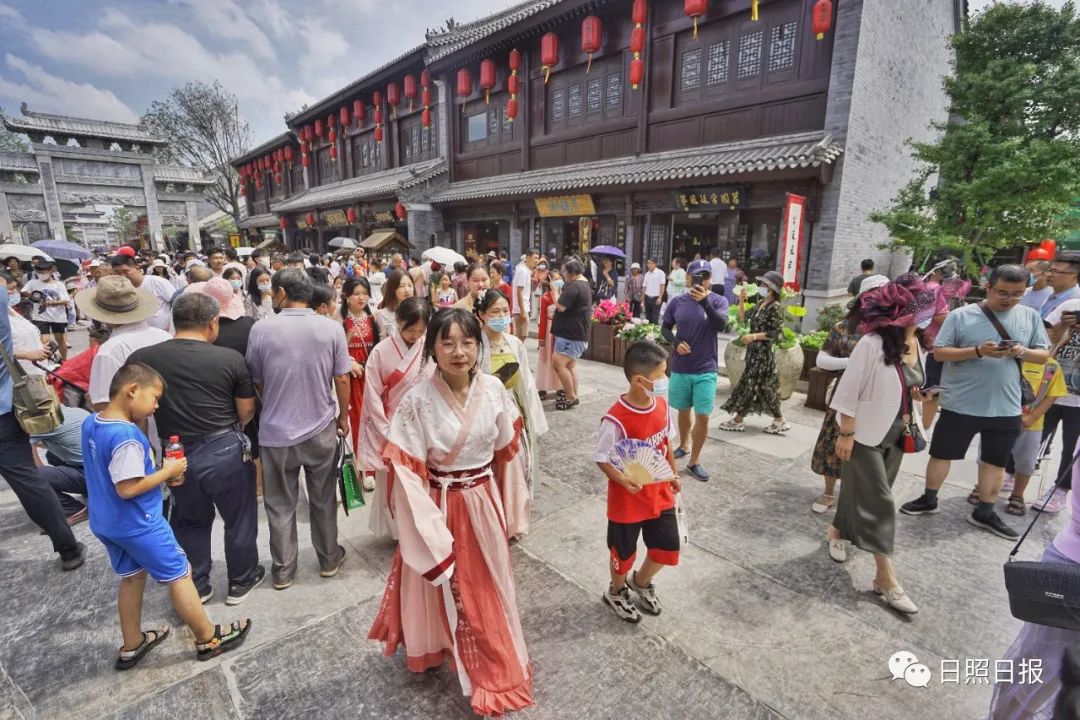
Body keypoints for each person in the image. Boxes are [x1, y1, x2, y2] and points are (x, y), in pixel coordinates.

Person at [367, 309, 534, 715]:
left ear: (479, 346)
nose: (459, 352)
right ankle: (439, 642)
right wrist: (425, 525)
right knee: (441, 578)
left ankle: (492, 659)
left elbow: (507, 454)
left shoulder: (494, 388)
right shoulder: (416, 401)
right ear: (432, 349)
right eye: (447, 343)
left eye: (468, 342)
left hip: (483, 499)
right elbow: (406, 472)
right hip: (438, 504)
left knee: (486, 583)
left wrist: (512, 508)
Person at [82, 362, 251, 669]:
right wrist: (167, 471)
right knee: (180, 573)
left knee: (132, 578)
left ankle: (132, 644)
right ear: (132, 390)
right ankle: (208, 638)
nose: (156, 406)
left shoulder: (92, 422)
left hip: (106, 521)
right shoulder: (126, 436)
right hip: (138, 523)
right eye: (154, 398)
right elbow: (128, 488)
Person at [130, 293, 263, 606]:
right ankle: (241, 581)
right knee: (240, 517)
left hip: (175, 453)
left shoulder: (143, 358)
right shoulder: (229, 359)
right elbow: (246, 410)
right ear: (212, 322)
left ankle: (198, 583)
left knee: (189, 521)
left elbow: (135, 411)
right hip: (225, 448)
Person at [900, 264, 1050, 540]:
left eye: (1017, 293)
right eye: (1003, 292)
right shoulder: (962, 316)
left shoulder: (1030, 316)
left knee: (995, 461)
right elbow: (940, 353)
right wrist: (978, 351)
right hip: (961, 402)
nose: (1009, 298)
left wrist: (1021, 351)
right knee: (942, 454)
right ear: (989, 287)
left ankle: (985, 511)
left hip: (1006, 405)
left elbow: (1043, 355)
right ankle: (929, 498)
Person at [245, 268, 352, 590]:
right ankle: (329, 559)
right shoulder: (330, 328)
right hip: (321, 427)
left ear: (280, 293)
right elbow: (343, 378)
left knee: (280, 504)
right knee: (322, 499)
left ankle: (283, 571)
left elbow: (258, 380)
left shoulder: (262, 329)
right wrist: (343, 417)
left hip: (276, 433)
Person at [826, 282, 924, 614]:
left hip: (898, 432)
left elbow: (910, 384)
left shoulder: (916, 342)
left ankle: (838, 528)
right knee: (880, 503)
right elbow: (847, 392)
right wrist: (846, 433)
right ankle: (886, 577)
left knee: (864, 492)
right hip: (864, 435)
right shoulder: (870, 343)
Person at [0, 275, 85, 570]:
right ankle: (68, 549)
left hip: (11, 403)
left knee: (33, 476)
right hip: (5, 409)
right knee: (28, 480)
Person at [594, 341, 681, 623]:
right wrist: (622, 480)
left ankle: (641, 582)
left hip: (660, 492)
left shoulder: (662, 405)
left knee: (668, 546)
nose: (665, 380)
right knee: (623, 553)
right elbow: (603, 458)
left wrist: (673, 473)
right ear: (639, 380)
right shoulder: (616, 419)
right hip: (627, 500)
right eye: (660, 376)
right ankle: (617, 592)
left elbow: (666, 442)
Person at [809, 275, 887, 514]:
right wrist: (853, 362)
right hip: (845, 393)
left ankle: (856, 495)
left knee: (868, 447)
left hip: (877, 397)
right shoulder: (843, 327)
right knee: (834, 443)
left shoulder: (890, 331)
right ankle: (829, 492)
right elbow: (822, 358)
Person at [358, 298, 434, 540]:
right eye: (410, 329)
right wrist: (384, 429)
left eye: (421, 330)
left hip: (426, 422)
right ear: (398, 322)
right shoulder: (381, 351)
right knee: (397, 480)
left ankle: (426, 526)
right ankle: (399, 530)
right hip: (393, 424)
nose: (415, 335)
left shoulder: (429, 347)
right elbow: (372, 393)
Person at [475, 288, 549, 517]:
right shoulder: (474, 345)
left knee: (516, 462)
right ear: (481, 315)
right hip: (485, 411)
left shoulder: (515, 344)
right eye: (494, 312)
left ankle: (514, 512)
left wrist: (533, 419)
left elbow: (526, 383)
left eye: (505, 311)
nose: (501, 317)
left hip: (513, 408)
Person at [661, 260, 729, 481]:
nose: (703, 280)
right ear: (688, 278)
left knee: (703, 415)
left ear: (710, 279)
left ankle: (694, 461)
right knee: (682, 410)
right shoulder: (677, 302)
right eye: (698, 276)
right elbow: (665, 327)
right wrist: (675, 342)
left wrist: (706, 303)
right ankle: (683, 444)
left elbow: (721, 326)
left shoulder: (719, 301)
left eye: (706, 276)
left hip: (706, 369)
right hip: (681, 367)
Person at [719, 271, 790, 434]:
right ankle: (779, 420)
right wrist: (742, 301)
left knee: (750, 385)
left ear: (772, 288)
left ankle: (738, 420)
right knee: (765, 387)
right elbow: (743, 318)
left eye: (764, 285)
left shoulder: (775, 307)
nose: (760, 287)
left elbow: (777, 333)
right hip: (754, 353)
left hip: (763, 355)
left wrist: (754, 336)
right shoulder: (761, 303)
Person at [341, 277, 379, 453]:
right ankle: (358, 460)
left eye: (365, 294)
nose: (361, 298)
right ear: (346, 296)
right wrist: (349, 361)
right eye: (356, 294)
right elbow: (335, 350)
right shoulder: (339, 320)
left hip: (370, 374)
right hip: (350, 377)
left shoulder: (373, 318)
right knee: (355, 417)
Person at [551, 258, 593, 411]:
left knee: (558, 362)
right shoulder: (583, 284)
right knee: (570, 364)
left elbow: (561, 306)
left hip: (571, 334)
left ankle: (571, 396)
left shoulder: (575, 286)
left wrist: (554, 292)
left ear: (573, 273)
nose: (563, 276)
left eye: (565, 273)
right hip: (577, 333)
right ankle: (573, 394)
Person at [110, 253, 175, 332]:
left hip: (165, 332)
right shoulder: (121, 290)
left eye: (125, 271)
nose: (122, 276)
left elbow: (177, 303)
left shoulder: (156, 282)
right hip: (141, 334)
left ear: (137, 268)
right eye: (117, 273)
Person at [22, 259, 72, 361]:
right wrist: (32, 296)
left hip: (58, 317)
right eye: (39, 272)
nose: (41, 274)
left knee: (60, 339)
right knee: (44, 341)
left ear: (50, 271)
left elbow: (66, 300)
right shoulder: (33, 283)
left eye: (43, 272)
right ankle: (48, 362)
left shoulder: (59, 285)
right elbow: (23, 292)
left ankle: (64, 360)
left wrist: (51, 303)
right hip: (40, 317)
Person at [536, 270, 562, 399]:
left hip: (561, 331)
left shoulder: (564, 295)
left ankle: (560, 387)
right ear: (550, 282)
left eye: (560, 278)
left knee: (560, 359)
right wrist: (541, 339)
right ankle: (543, 387)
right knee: (546, 358)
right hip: (549, 331)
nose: (559, 281)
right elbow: (543, 319)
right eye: (556, 279)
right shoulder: (545, 297)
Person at [376, 269, 414, 339]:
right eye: (401, 286)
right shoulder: (382, 315)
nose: (407, 290)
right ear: (392, 289)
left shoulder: (420, 311)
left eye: (410, 285)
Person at [510, 249, 539, 340]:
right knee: (520, 337)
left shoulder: (524, 269)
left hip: (523, 308)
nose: (537, 261)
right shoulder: (523, 271)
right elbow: (519, 291)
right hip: (520, 310)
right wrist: (522, 311)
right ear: (528, 257)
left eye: (538, 258)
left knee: (522, 336)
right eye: (535, 258)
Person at [642, 258, 666, 324]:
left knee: (655, 317)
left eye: (650, 263)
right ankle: (648, 333)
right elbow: (644, 287)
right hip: (647, 297)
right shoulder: (647, 274)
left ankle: (654, 333)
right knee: (647, 317)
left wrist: (660, 297)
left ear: (655, 264)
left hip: (656, 298)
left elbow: (662, 286)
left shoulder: (660, 273)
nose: (648, 265)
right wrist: (642, 300)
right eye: (648, 263)